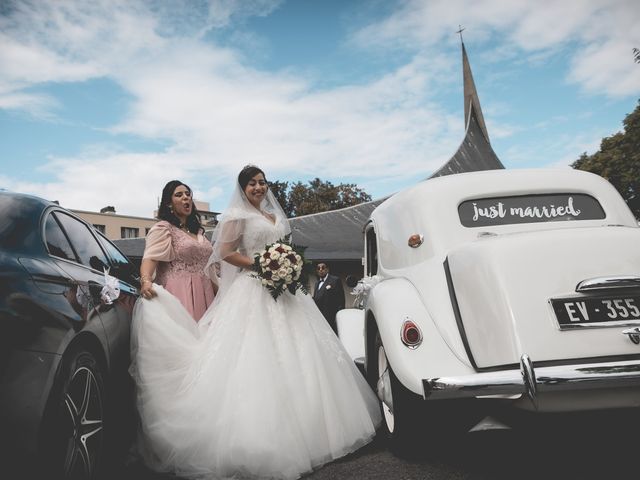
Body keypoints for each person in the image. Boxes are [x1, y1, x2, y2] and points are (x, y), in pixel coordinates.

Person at [130, 165, 381, 480]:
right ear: (243, 187)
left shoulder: (274, 216)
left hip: (285, 292)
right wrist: (264, 265)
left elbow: (283, 247)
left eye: (262, 182)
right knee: (253, 357)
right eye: (252, 183)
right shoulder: (236, 215)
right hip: (253, 289)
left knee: (304, 353)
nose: (259, 187)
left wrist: (286, 264)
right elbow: (226, 252)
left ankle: (314, 429)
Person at [139, 180, 217, 321]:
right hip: (180, 292)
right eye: (179, 195)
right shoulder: (164, 228)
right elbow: (150, 258)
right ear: (169, 203)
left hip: (206, 292)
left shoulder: (199, 232)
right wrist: (146, 281)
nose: (186, 197)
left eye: (188, 194)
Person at [313, 262, 345, 334]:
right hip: (319, 317)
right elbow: (316, 298)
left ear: (327, 269)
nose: (321, 270)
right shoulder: (317, 283)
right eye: (318, 268)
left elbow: (341, 299)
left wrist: (339, 315)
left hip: (331, 316)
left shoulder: (335, 280)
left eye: (323, 268)